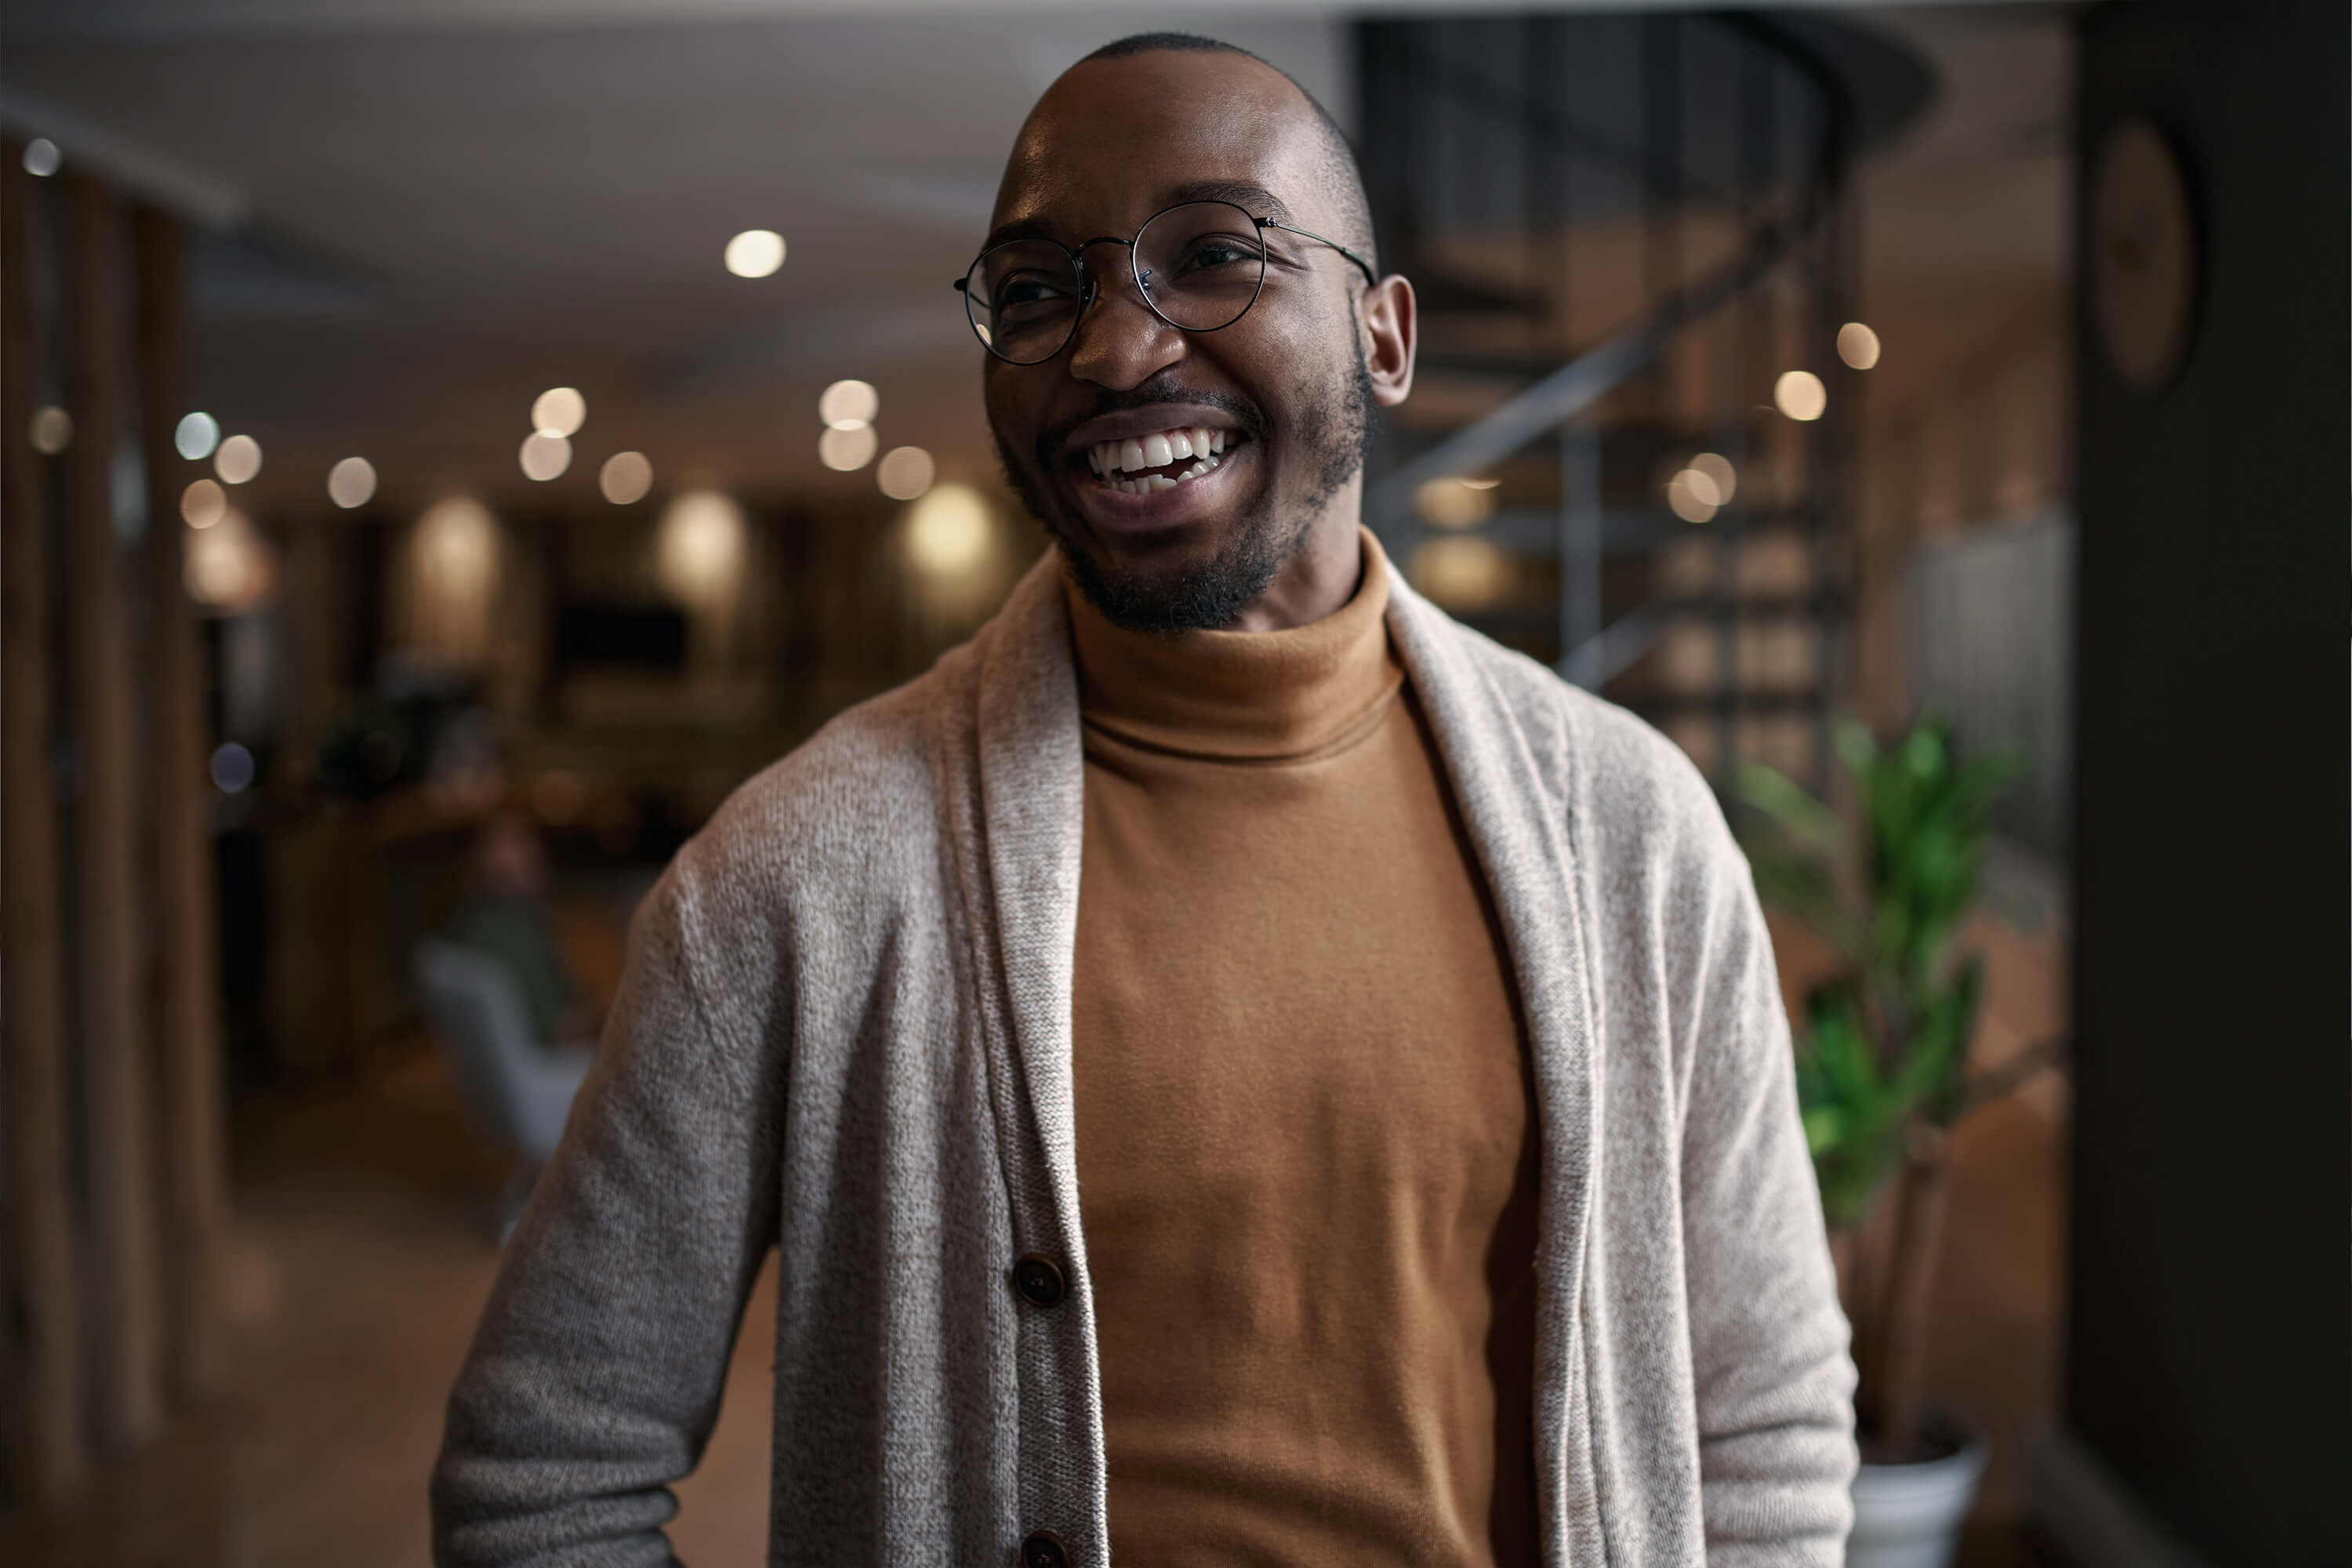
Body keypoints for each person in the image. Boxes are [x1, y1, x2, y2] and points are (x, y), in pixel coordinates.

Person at [433, 33, 1855, 1567]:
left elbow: (1764, 1418)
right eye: (1040, 290)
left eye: (1218, 254)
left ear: (1383, 336)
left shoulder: (1629, 832)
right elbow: (545, 1477)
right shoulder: (795, 874)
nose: (1114, 351)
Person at [445, 811, 601, 1048]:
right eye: (515, 843)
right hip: (558, 1062)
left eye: (525, 839)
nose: (535, 852)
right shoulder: (507, 939)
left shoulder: (480, 920)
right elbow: (558, 1031)